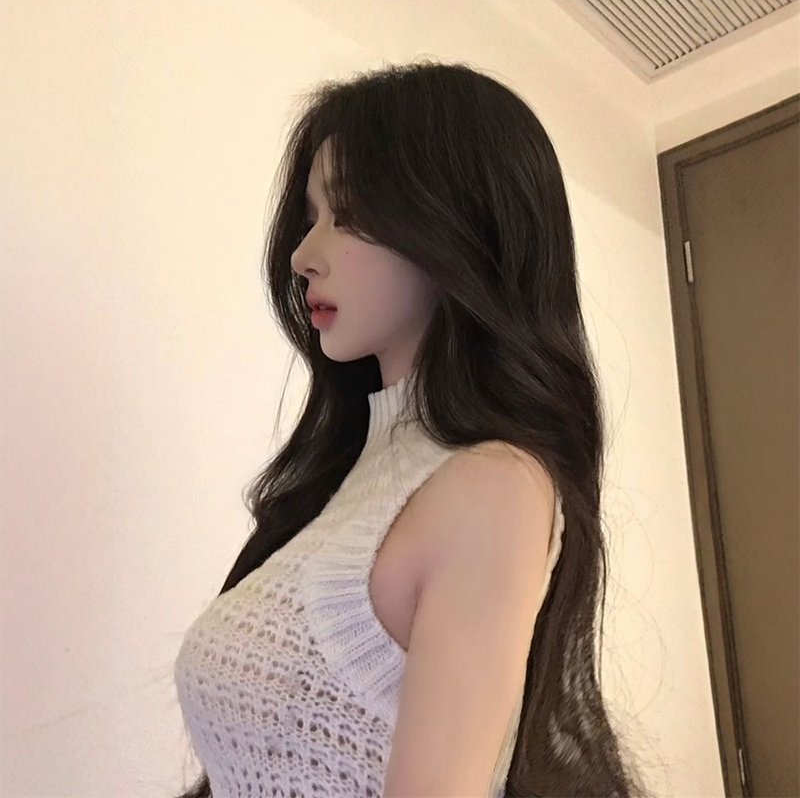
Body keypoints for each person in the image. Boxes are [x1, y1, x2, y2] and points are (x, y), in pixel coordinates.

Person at [173, 59, 652, 798]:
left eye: (347, 213)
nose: (302, 256)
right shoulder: (353, 479)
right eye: (310, 217)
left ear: (458, 225)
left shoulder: (493, 487)